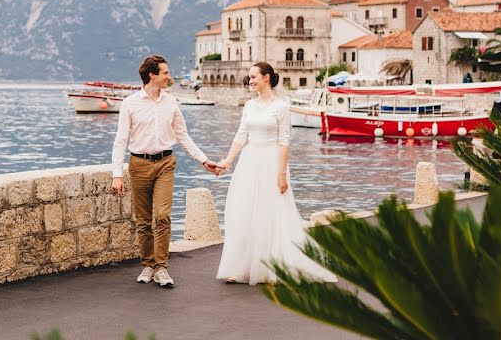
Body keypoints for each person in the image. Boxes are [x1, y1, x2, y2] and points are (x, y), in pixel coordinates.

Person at [215, 61, 337, 285]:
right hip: (249, 162)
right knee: (244, 210)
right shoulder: (249, 106)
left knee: (271, 213)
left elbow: (284, 142)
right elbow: (241, 136)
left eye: (253, 77)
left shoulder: (281, 107)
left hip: (271, 162)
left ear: (266, 78)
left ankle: (271, 266)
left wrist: (281, 174)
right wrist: (227, 161)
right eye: (249, 77)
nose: (249, 81)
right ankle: (242, 267)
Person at [112, 55, 220, 288]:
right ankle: (148, 264)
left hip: (165, 163)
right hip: (139, 164)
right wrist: (117, 174)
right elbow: (121, 140)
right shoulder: (130, 103)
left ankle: (161, 268)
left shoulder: (171, 101)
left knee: (162, 216)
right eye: (165, 73)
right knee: (143, 220)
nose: (168, 76)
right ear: (152, 75)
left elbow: (182, 135)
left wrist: (203, 160)